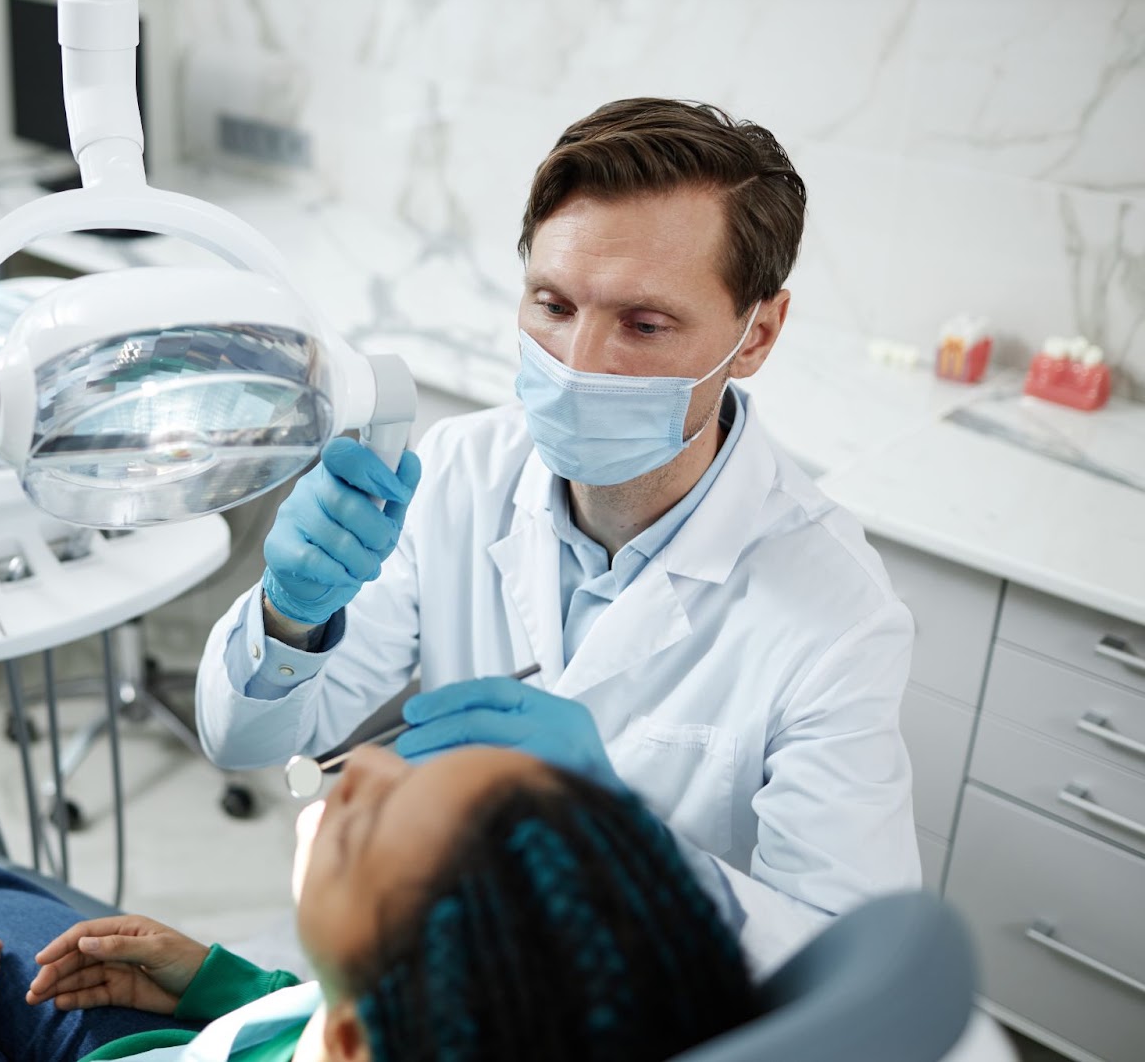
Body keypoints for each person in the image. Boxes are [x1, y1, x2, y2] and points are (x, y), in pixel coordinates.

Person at [196, 97, 920, 962]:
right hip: (463, 951)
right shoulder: (462, 470)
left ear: (757, 332)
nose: (578, 364)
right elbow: (248, 740)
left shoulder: (839, 615)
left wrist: (620, 837)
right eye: (553, 304)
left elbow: (850, 964)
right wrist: (292, 615)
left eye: (644, 325)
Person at [0, 618, 757, 1062]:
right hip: (137, 1042)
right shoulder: (447, 1028)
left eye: (367, 821)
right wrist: (213, 982)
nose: (375, 766)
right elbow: (303, 1025)